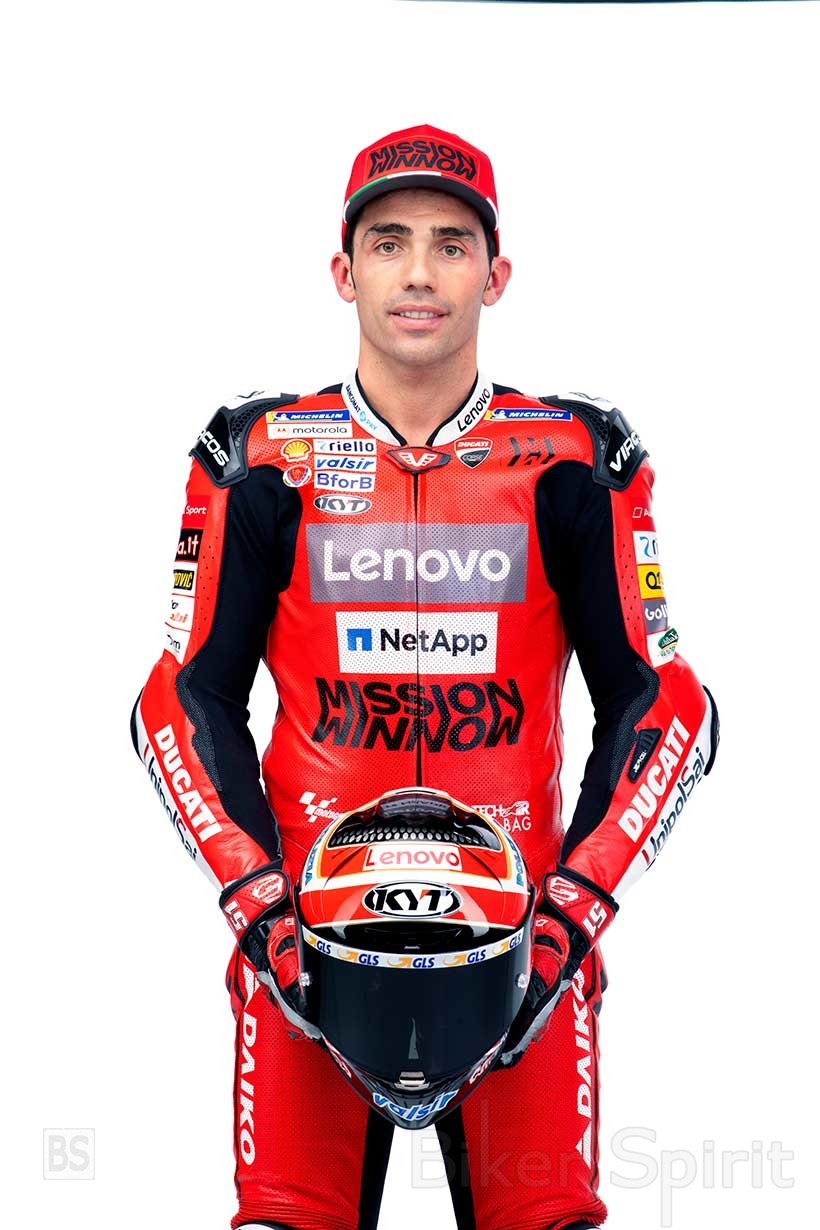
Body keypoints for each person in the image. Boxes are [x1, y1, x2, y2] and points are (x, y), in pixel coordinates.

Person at [131, 123, 719, 1230]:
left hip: (523, 952)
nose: (417, 272)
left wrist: (572, 913)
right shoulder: (258, 455)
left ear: (496, 276)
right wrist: (258, 905)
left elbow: (663, 703)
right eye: (388, 242)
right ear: (342, 271)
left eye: (451, 245)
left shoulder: (576, 458)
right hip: (304, 953)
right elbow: (181, 697)